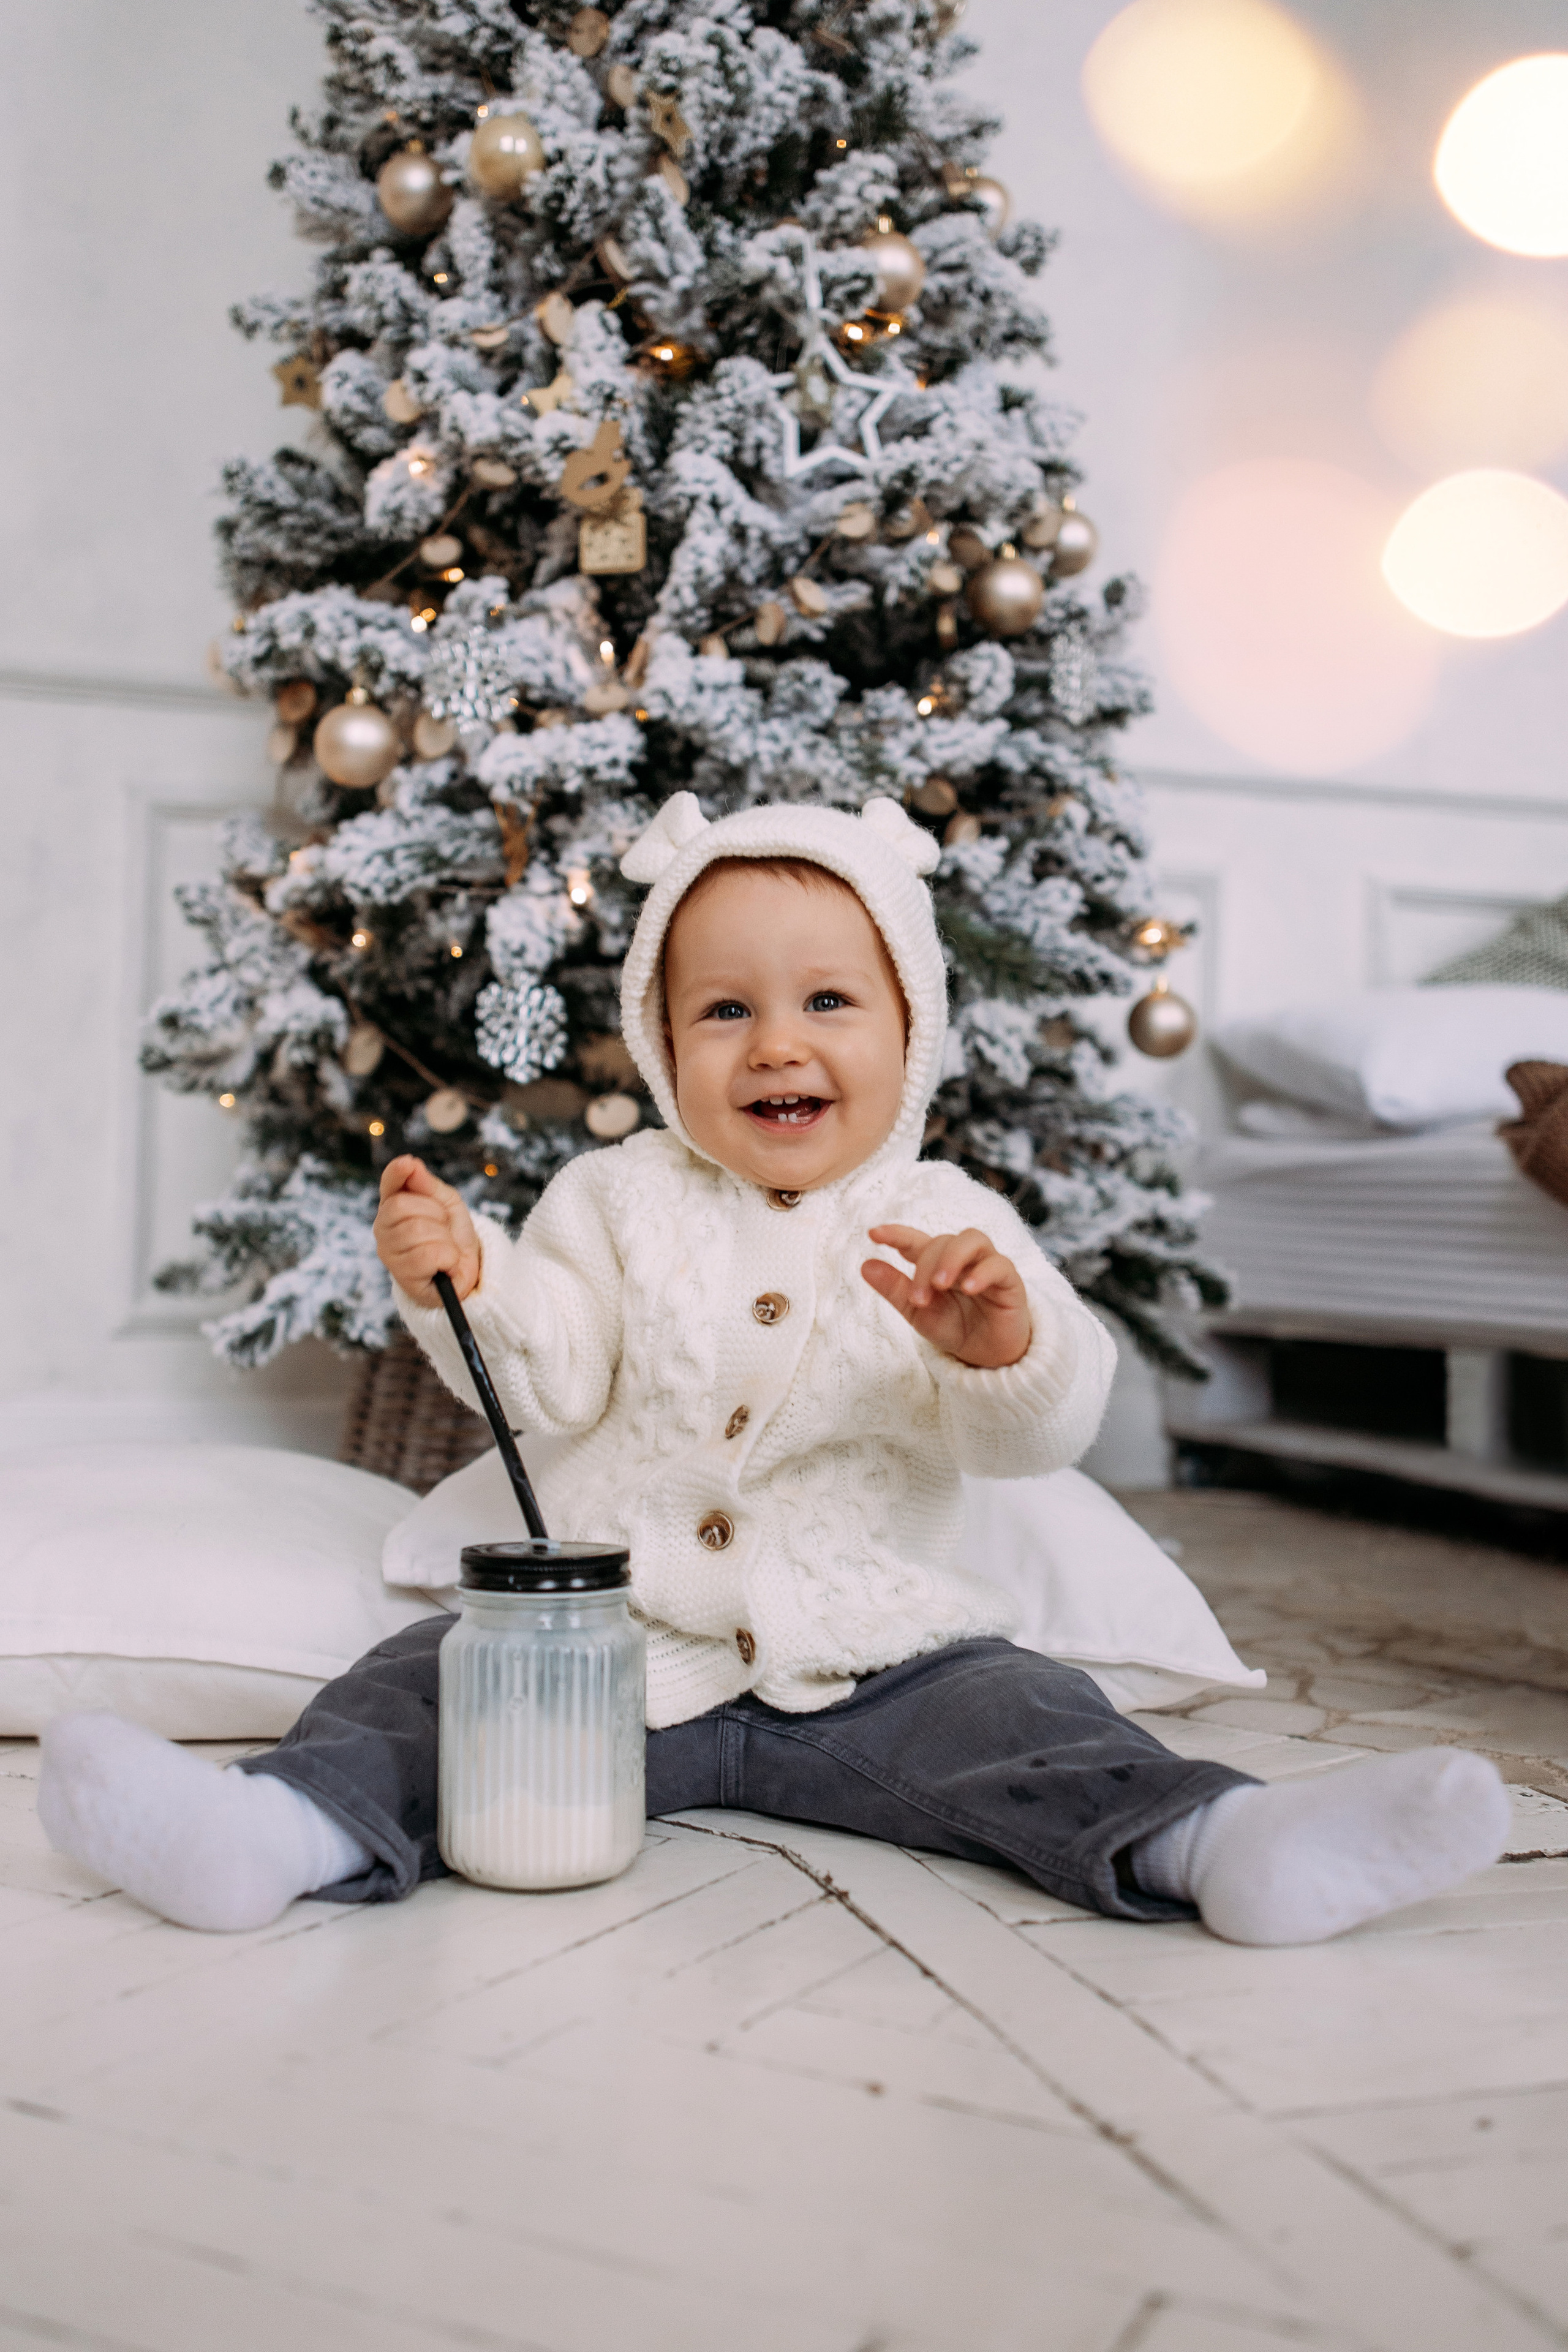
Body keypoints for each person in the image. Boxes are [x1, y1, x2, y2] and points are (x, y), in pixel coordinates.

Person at [37, 795, 1510, 1939]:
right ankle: (271, 1835)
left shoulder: (947, 1220)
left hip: (872, 1659)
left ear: (908, 1028)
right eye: (723, 1010)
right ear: (660, 1042)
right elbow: (549, 1376)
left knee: (1036, 1718)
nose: (772, 1045)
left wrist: (999, 1346)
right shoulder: (614, 1204)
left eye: (825, 1003)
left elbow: (1034, 1434)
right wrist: (472, 1282)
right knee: (421, 1687)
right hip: (607, 1648)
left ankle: (1224, 1846)